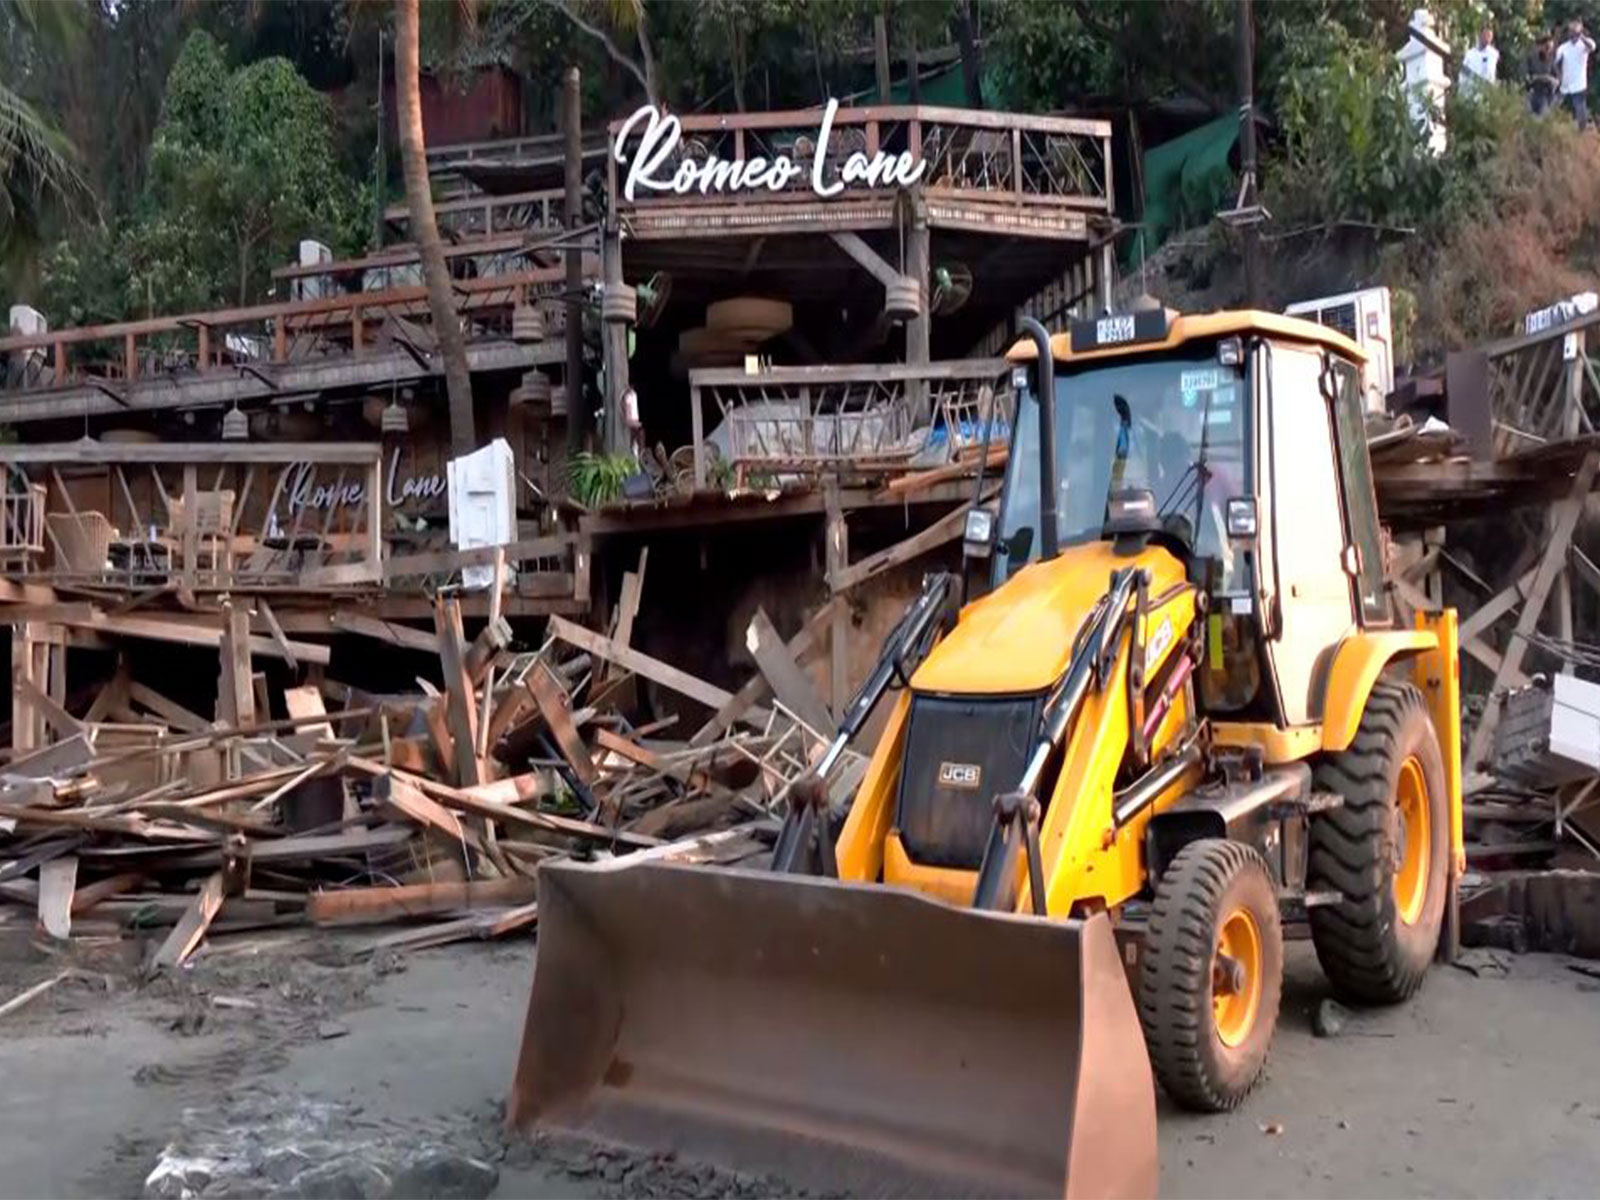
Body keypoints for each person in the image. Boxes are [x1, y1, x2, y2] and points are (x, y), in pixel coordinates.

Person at [1556, 19, 1596, 129]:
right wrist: (1559, 76)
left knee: (1581, 112)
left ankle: (1582, 134)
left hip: (1579, 84)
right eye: (1571, 31)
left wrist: (1581, 36)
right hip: (1565, 84)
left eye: (1575, 32)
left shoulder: (1584, 45)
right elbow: (1556, 63)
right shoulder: (1563, 48)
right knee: (1554, 106)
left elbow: (1592, 47)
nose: (1573, 34)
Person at [1459, 24, 1499, 92]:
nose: (1488, 38)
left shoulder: (1493, 54)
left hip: (1483, 91)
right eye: (1486, 35)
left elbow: (1489, 74)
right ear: (1481, 35)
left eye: (1490, 36)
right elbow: (1463, 71)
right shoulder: (1470, 53)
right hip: (1468, 91)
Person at [1527, 32, 1559, 114]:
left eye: (1551, 48)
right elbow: (1526, 77)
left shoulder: (1552, 61)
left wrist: (1550, 80)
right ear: (1541, 46)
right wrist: (1542, 78)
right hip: (1533, 94)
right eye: (1547, 47)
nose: (1548, 50)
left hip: (1547, 95)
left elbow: (1557, 79)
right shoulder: (1531, 58)